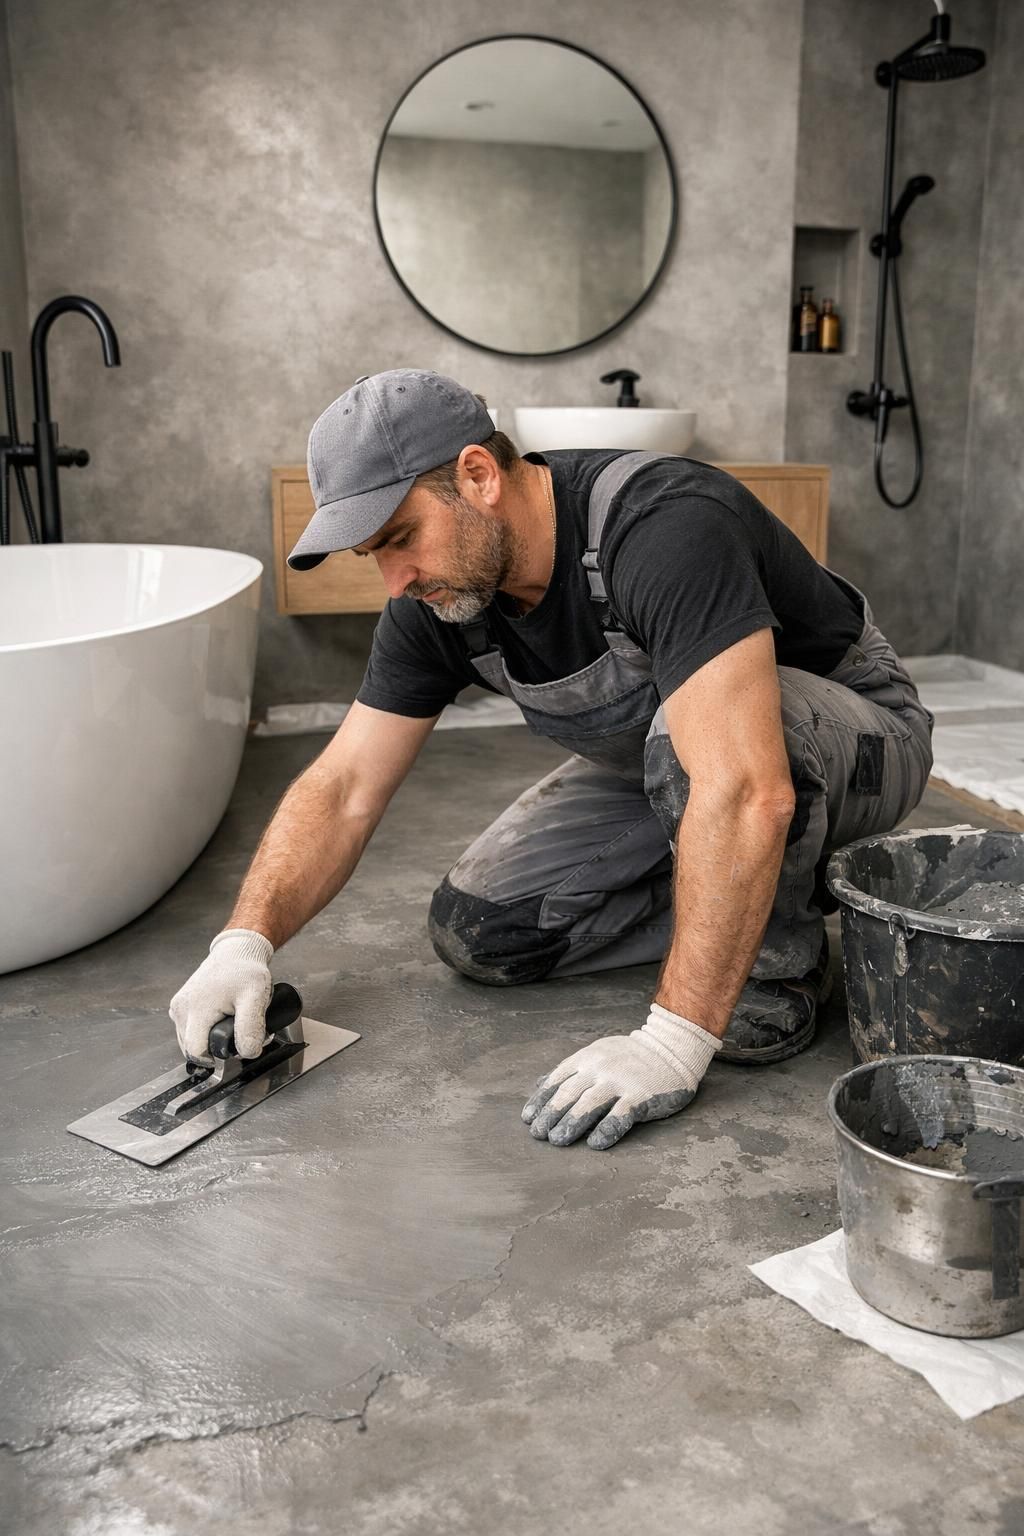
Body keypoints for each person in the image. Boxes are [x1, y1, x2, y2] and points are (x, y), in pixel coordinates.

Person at [170, 369, 933, 1152]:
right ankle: (746, 879)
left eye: (400, 538)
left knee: (714, 772)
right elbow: (344, 786)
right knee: (484, 932)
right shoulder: (440, 600)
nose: (395, 580)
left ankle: (773, 958)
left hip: (859, 736)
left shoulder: (662, 523)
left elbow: (744, 789)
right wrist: (244, 941)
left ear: (479, 475)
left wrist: (671, 1040)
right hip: (674, 763)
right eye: (374, 553)